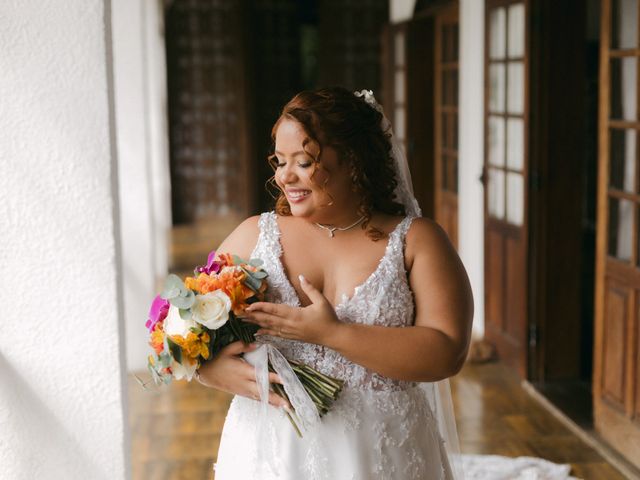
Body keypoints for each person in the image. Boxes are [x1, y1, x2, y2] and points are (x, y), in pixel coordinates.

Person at [193, 86, 471, 479]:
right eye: (279, 160)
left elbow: (447, 352)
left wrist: (333, 334)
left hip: (383, 451)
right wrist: (209, 369)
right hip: (274, 453)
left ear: (355, 161)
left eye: (304, 162)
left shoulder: (416, 240)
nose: (284, 176)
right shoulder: (253, 235)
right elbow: (182, 331)